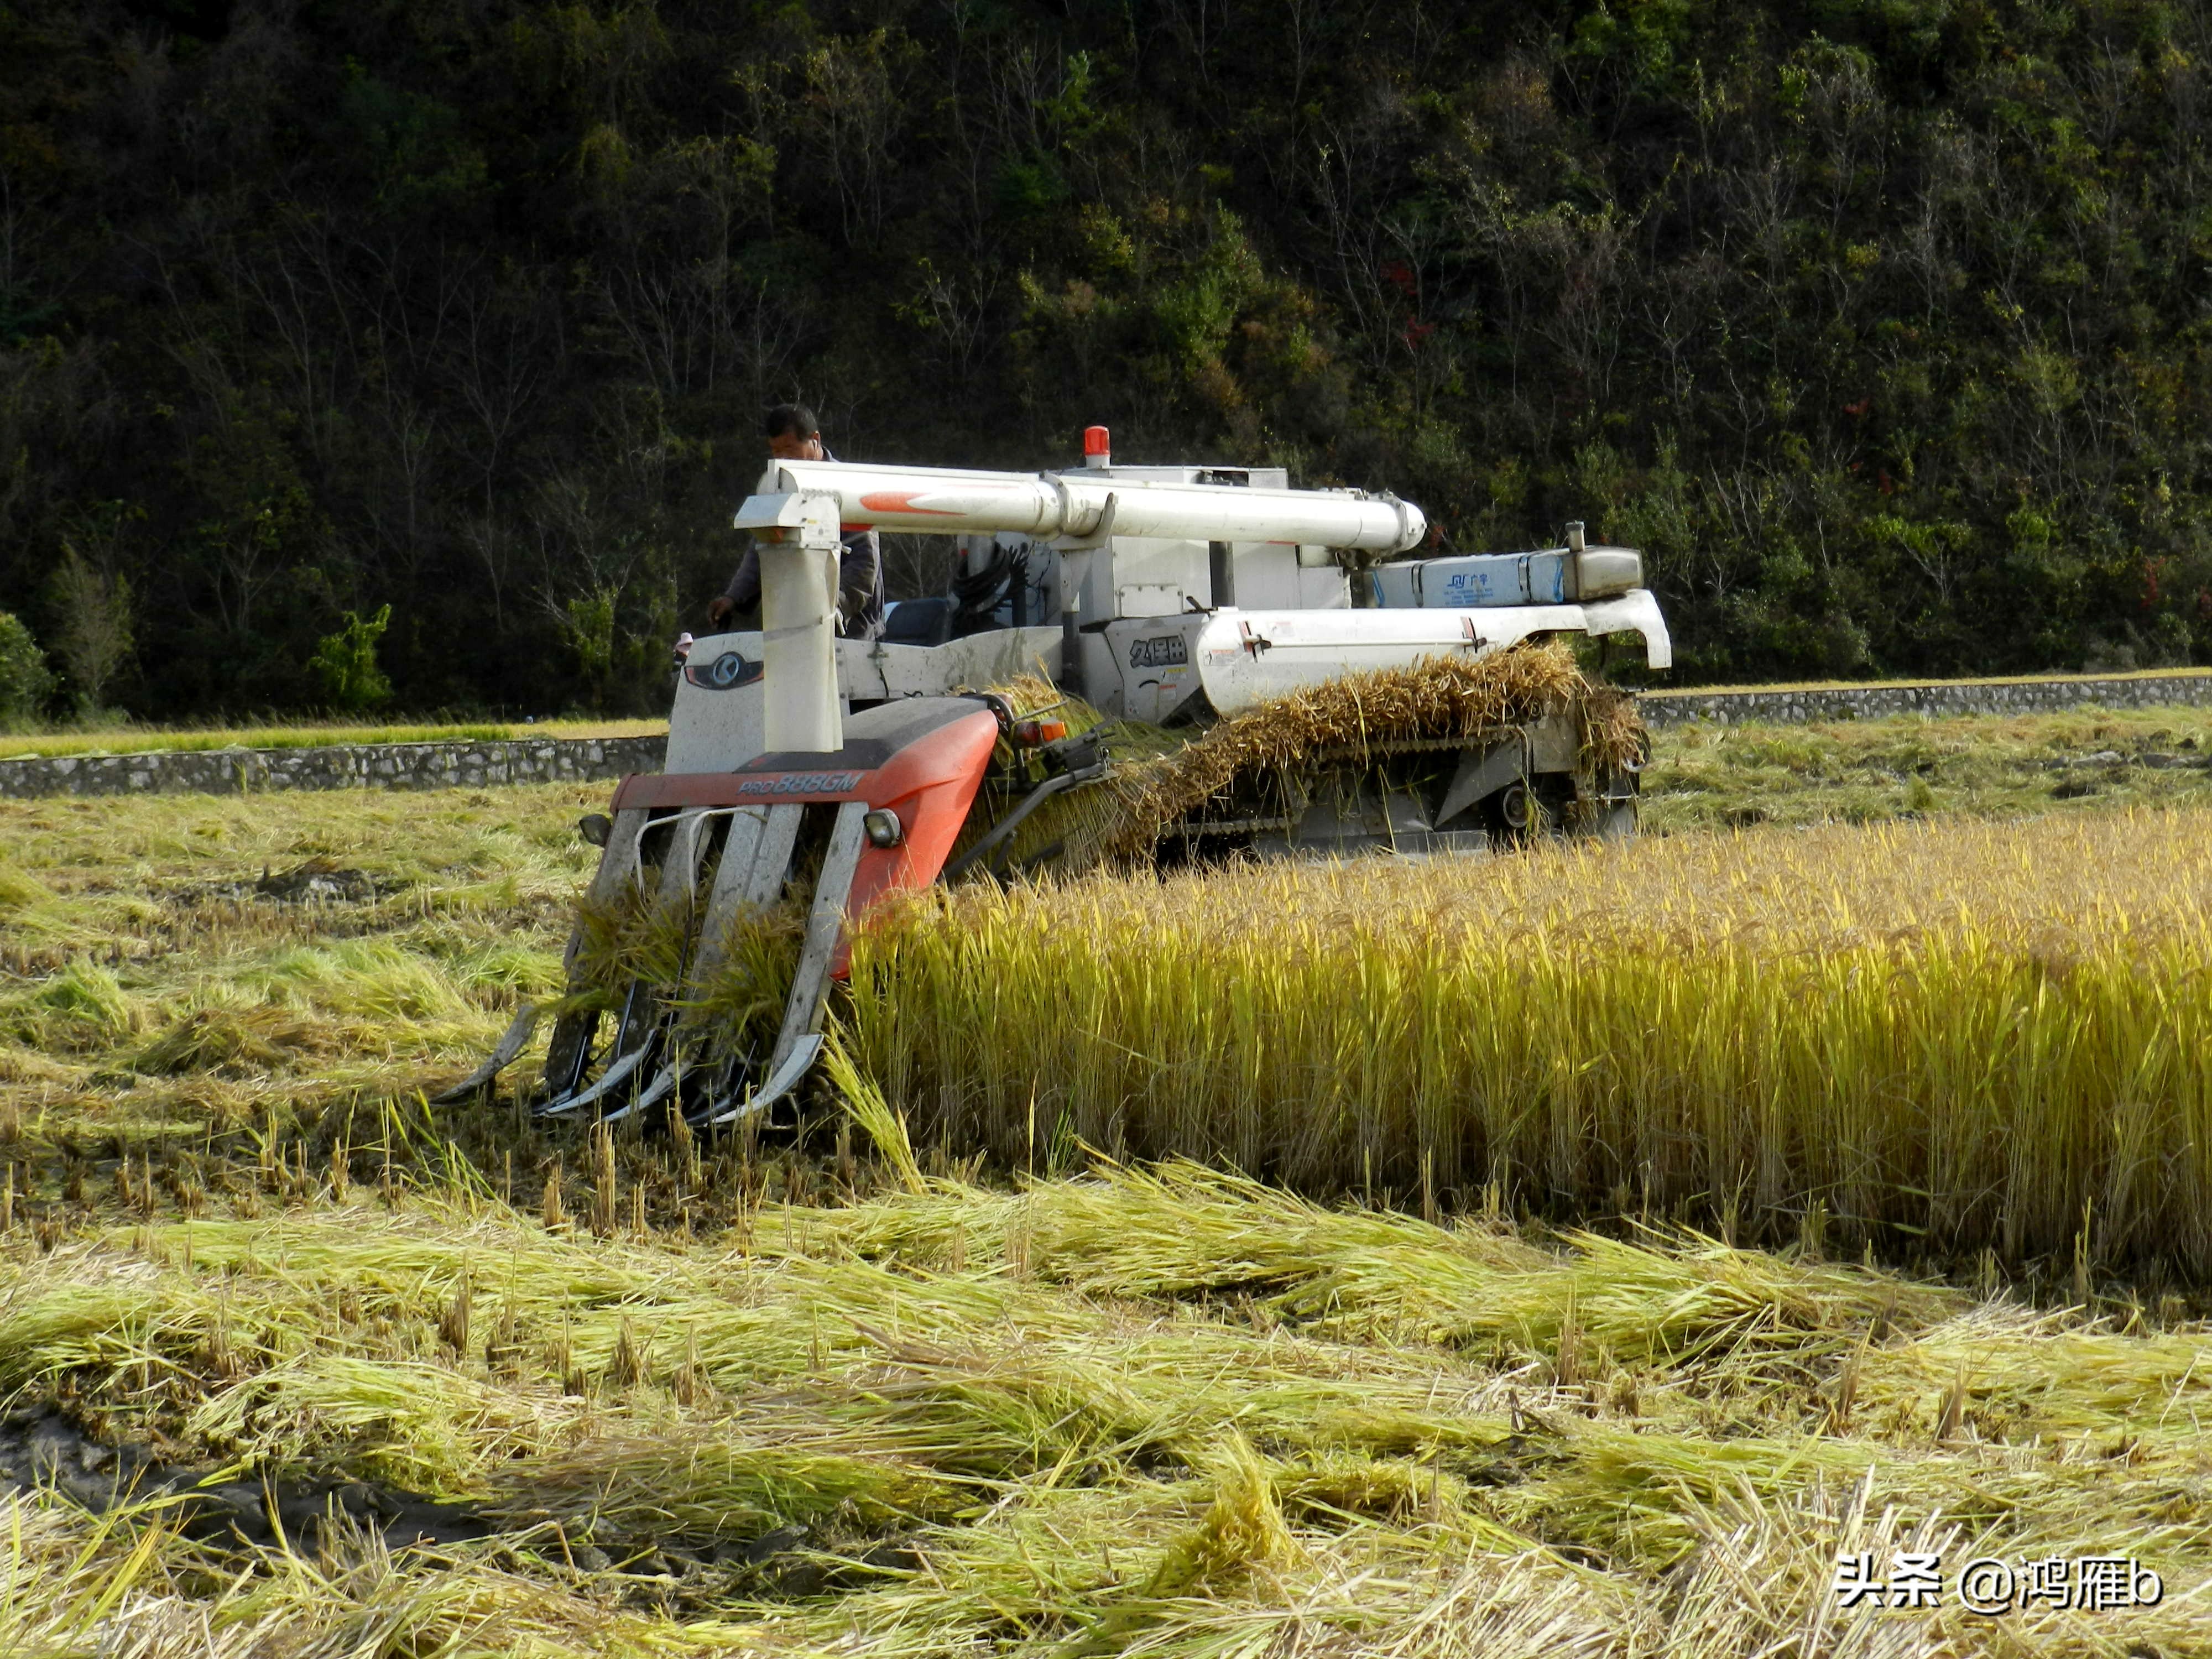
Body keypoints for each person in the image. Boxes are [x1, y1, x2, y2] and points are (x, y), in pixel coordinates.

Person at [708, 404, 885, 639]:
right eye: (776, 451)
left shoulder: (848, 488)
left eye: (790, 450)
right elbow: (762, 548)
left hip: (853, 634)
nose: (782, 459)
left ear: (815, 440)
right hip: (793, 630)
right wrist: (733, 597)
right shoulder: (780, 488)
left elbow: (864, 563)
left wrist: (832, 610)